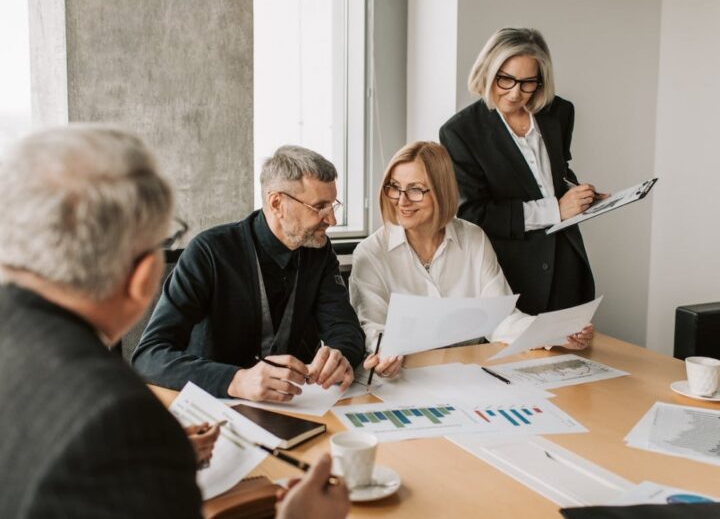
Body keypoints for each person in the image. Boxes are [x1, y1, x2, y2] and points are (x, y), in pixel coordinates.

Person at [0, 125, 350, 519]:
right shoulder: (124, 421)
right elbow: (150, 355)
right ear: (144, 273)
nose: (331, 219)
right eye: (166, 238)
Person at [132, 145, 365, 402]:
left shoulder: (319, 251)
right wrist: (236, 381)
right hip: (217, 407)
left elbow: (344, 327)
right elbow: (149, 356)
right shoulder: (209, 252)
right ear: (277, 203)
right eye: (320, 207)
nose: (331, 219)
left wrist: (341, 355)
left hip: (297, 404)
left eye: (333, 205)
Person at [350, 141, 593, 378]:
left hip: (469, 372)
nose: (401, 201)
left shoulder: (473, 238)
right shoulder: (371, 253)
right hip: (406, 376)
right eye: (394, 187)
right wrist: (386, 354)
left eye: (415, 190)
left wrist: (556, 333)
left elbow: (502, 318)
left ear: (442, 191)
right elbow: (372, 327)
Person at [440, 27, 607, 316]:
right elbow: (474, 213)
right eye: (505, 79)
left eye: (528, 82)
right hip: (512, 270)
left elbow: (556, 173)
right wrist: (555, 210)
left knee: (573, 355)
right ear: (488, 71)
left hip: (567, 262)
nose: (516, 93)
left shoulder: (560, 112)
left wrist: (579, 195)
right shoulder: (460, 132)